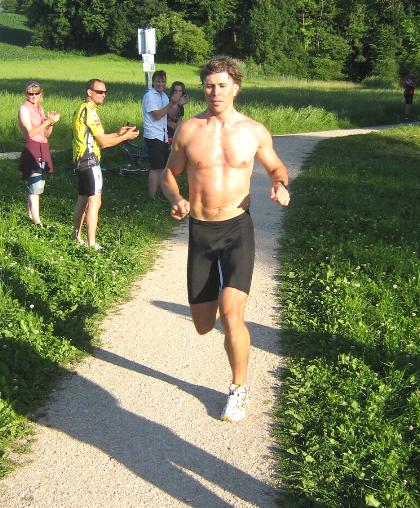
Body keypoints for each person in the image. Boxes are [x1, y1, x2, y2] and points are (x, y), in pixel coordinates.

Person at [161, 56, 290, 423]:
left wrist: (280, 184)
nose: (215, 92)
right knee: (203, 325)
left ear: (236, 87)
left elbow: (276, 166)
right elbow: (169, 175)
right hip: (201, 232)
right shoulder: (188, 130)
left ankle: (238, 389)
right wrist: (176, 198)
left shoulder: (253, 131)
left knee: (232, 313)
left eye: (222, 85)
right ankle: (221, 314)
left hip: (237, 230)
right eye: (209, 85)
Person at [72, 78, 139, 249]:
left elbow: (98, 138)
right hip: (90, 161)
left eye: (105, 92)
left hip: (81, 160)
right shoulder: (90, 112)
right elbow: (104, 143)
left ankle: (76, 236)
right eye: (99, 92)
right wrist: (125, 137)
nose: (103, 95)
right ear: (89, 92)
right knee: (95, 202)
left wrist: (118, 134)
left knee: (83, 199)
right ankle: (91, 243)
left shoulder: (83, 108)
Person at [18, 80, 60, 227]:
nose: (34, 96)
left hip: (43, 146)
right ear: (26, 94)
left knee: (38, 182)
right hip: (32, 148)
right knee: (35, 185)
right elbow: (30, 133)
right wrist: (47, 122)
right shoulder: (24, 109)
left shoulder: (39, 108)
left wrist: (51, 123)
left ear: (41, 94)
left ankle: (30, 215)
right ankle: (37, 222)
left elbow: (46, 134)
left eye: (37, 93)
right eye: (30, 93)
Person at [142, 70, 188, 198]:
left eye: (163, 81)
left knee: (163, 167)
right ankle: (151, 197)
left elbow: (171, 114)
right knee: (156, 168)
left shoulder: (163, 96)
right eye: (158, 81)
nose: (160, 84)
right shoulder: (150, 96)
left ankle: (162, 194)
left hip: (163, 135)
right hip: (153, 136)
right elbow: (157, 115)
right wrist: (171, 103)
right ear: (153, 82)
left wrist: (179, 104)